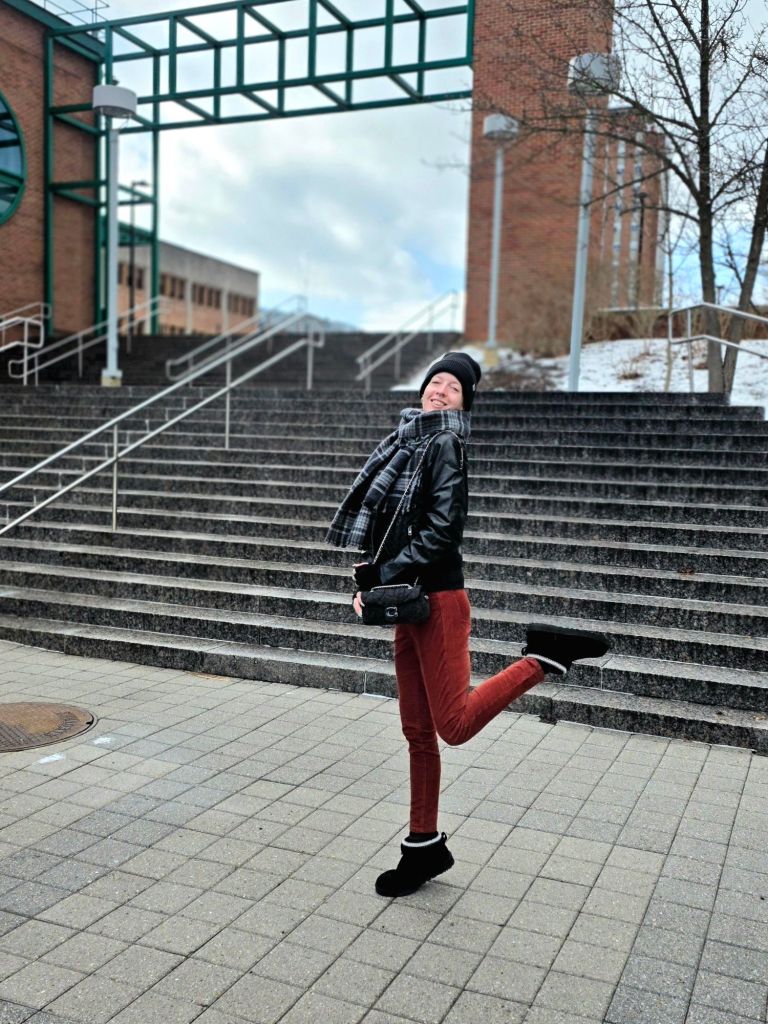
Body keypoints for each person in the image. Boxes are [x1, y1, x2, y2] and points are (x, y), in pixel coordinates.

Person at [326, 352, 609, 898]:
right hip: (410, 602)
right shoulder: (407, 443)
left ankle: (542, 657)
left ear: (463, 404)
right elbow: (390, 534)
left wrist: (383, 572)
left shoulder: (446, 444)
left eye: (452, 387)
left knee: (451, 725)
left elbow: (441, 532)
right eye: (435, 381)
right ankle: (423, 848)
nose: (439, 390)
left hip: (439, 601)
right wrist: (369, 583)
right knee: (415, 731)